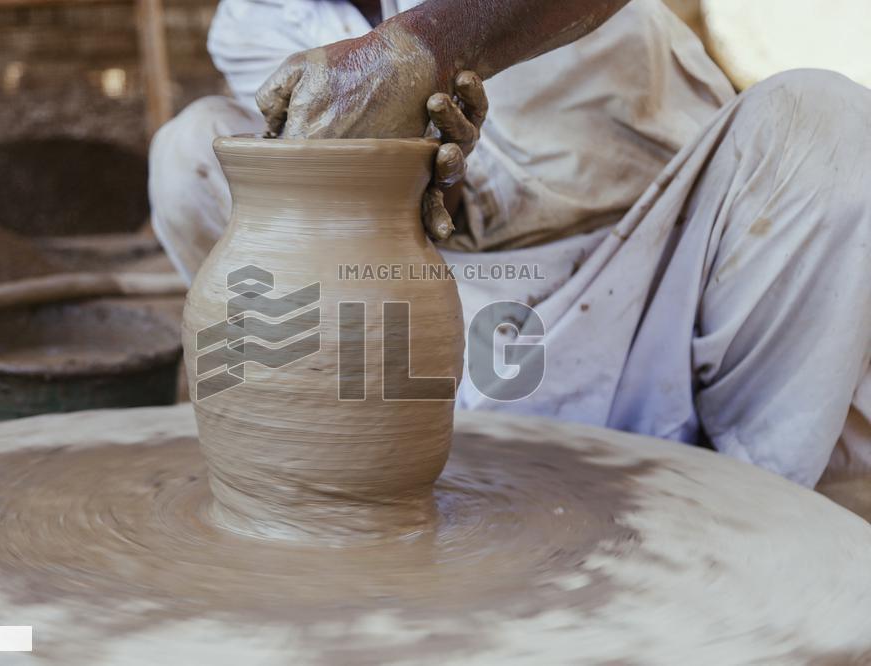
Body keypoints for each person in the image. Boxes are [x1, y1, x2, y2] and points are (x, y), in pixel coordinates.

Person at [149, 0, 871, 488]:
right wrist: (428, 165)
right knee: (192, 153)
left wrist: (424, 47)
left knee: (825, 121)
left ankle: (754, 514)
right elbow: (395, 211)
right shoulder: (255, 19)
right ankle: (331, 465)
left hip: (674, 280)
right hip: (459, 334)